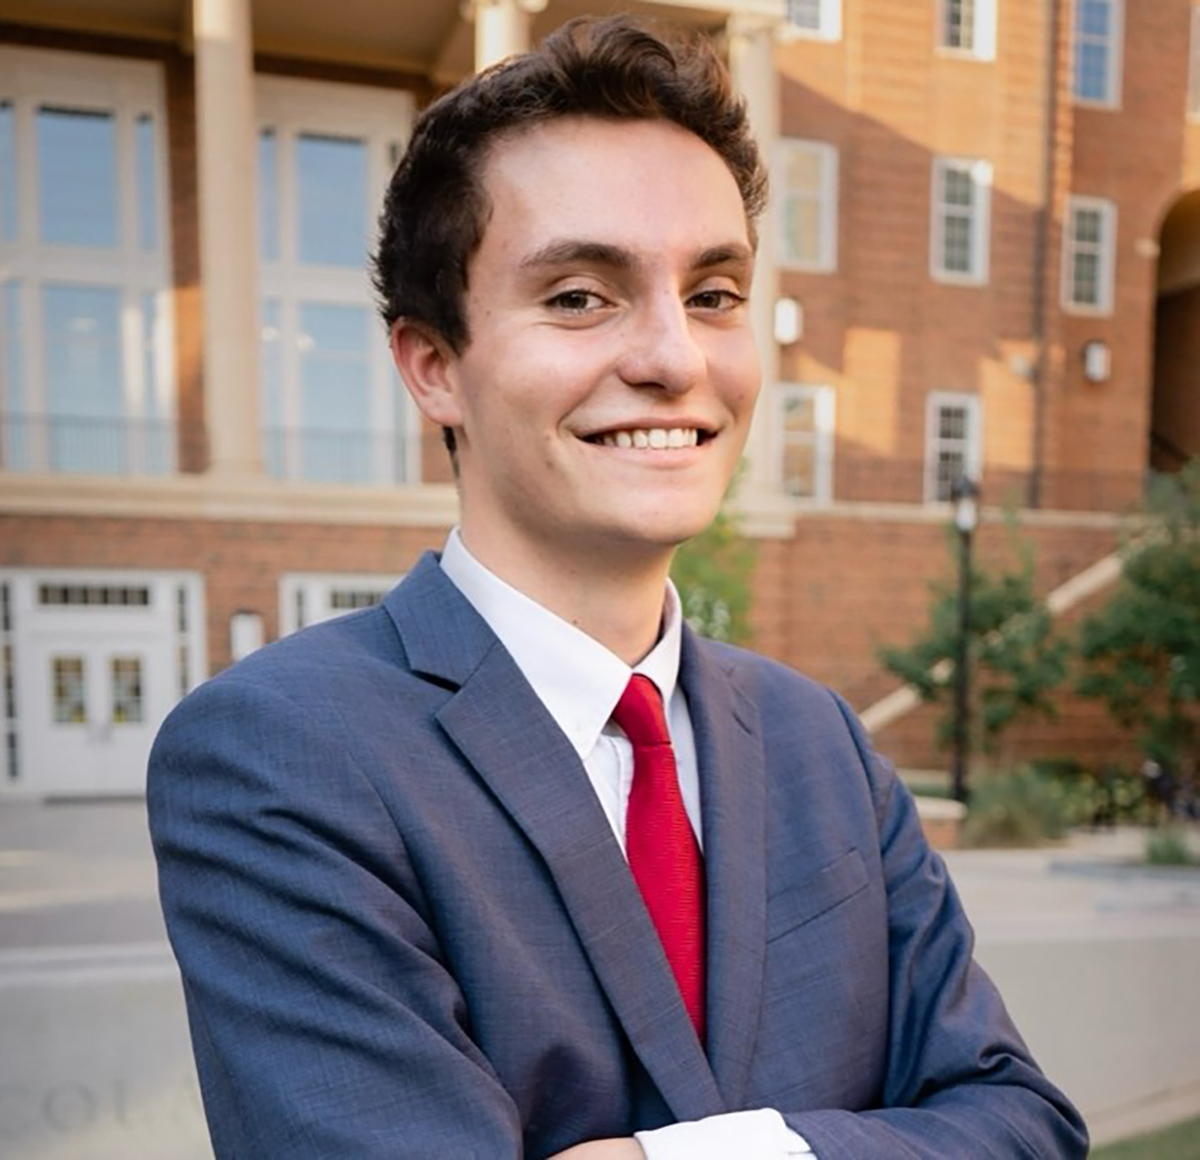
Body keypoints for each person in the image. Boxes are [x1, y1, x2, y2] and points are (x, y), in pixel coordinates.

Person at [148, 16, 1088, 1159]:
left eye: (714, 292)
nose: (675, 358)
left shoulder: (819, 741)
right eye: (581, 295)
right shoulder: (277, 754)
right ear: (434, 364)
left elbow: (1025, 1125)